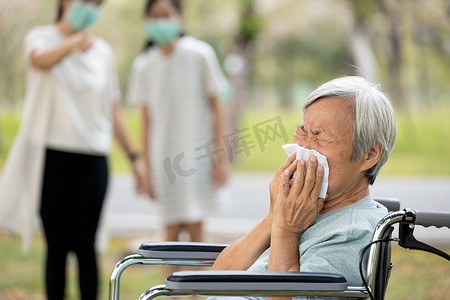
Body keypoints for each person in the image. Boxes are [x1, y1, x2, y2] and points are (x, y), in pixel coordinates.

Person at [0, 0, 147, 299]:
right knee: (56, 245)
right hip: (53, 156)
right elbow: (38, 60)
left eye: (97, 4)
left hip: (93, 157)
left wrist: (135, 157)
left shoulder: (102, 51)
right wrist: (69, 45)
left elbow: (113, 108)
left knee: (86, 244)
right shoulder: (41, 37)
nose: (91, 8)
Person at [210, 76, 397, 300]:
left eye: (320, 137)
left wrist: (287, 231)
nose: (304, 148)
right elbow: (215, 283)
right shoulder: (301, 211)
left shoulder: (351, 232)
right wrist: (274, 216)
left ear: (369, 155)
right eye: (302, 131)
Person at [127, 0, 231, 247]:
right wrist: (145, 166)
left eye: (166, 15)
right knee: (170, 229)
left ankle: (196, 286)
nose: (161, 21)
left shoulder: (200, 54)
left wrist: (221, 158)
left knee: (196, 228)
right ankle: (171, 285)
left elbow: (218, 107)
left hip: (199, 155)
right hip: (164, 159)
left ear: (179, 18)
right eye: (154, 16)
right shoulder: (142, 65)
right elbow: (146, 121)